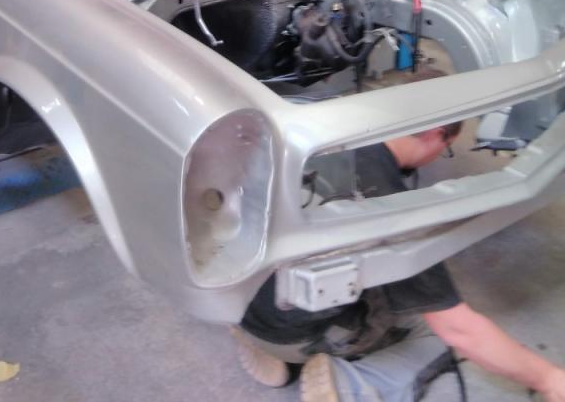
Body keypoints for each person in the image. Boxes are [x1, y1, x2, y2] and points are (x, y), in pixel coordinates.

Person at [232, 121, 565, 401]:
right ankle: (352, 382)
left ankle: (265, 341)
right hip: (289, 330)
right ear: (436, 134)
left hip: (236, 294)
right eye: (446, 147)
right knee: (431, 332)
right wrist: (549, 379)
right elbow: (459, 330)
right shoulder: (389, 209)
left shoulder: (319, 135)